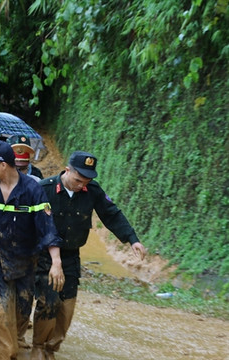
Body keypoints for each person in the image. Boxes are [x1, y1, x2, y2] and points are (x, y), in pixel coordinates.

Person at [32, 151, 147, 360]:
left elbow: (111, 214)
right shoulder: (44, 189)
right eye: (78, 180)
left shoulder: (91, 190)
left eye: (86, 181)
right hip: (45, 256)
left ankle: (51, 348)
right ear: (67, 170)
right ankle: (38, 347)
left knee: (67, 307)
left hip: (71, 256)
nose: (81, 185)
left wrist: (133, 239)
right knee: (48, 302)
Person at [0, 140, 63, 360]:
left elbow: (47, 227)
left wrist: (56, 262)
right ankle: (5, 354)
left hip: (24, 262)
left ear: (3, 164)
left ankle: (3, 348)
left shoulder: (32, 189)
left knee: (21, 312)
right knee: (1, 313)